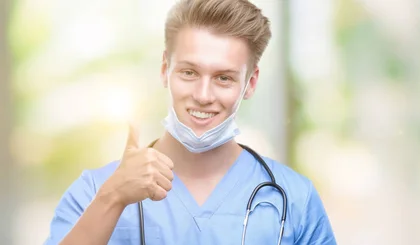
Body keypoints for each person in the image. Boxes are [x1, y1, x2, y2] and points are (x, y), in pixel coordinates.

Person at [43, 0, 337, 244]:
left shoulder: (294, 198)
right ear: (164, 69)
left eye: (224, 78)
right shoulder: (95, 191)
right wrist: (113, 197)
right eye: (189, 73)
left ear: (250, 83)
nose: (203, 95)